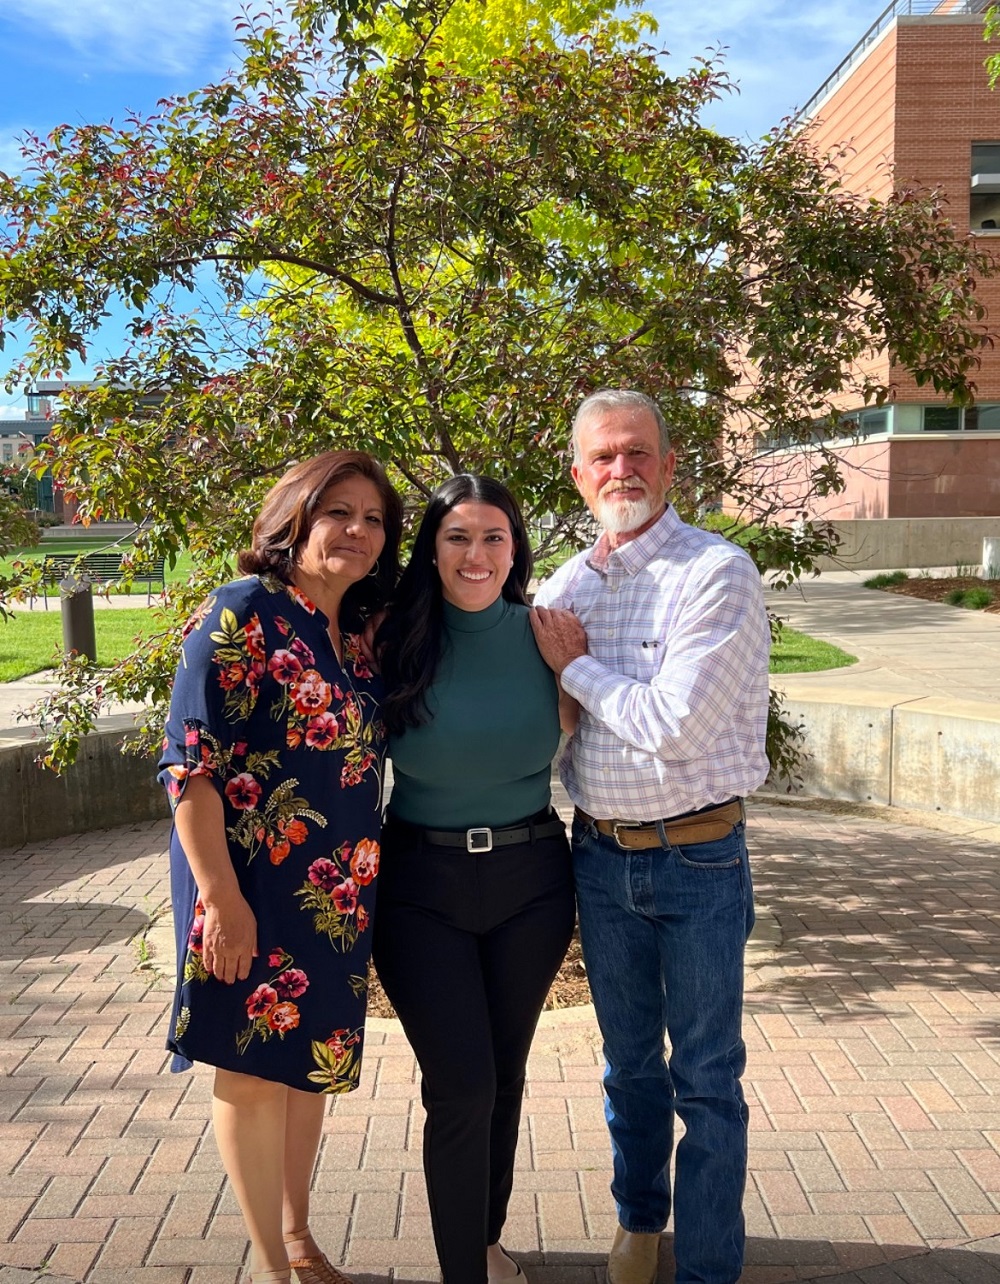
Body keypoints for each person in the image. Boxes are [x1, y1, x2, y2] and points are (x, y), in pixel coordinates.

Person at [530, 390, 770, 1284]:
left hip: (699, 858)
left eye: (637, 453)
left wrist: (574, 667)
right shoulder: (567, 586)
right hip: (597, 856)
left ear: (670, 465)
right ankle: (640, 1227)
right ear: (579, 475)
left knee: (706, 1078)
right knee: (628, 1067)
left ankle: (708, 1268)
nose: (621, 470)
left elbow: (674, 724)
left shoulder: (716, 572)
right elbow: (544, 722)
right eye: (603, 457)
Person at [158, 451, 402, 1284]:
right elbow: (190, 767)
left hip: (334, 894)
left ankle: (301, 1241)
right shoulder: (242, 613)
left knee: (309, 1069)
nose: (358, 531)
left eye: (373, 519)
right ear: (294, 516)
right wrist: (221, 902)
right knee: (253, 1068)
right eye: (339, 511)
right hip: (249, 888)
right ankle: (272, 1267)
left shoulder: (357, 637)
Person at [372, 474, 577, 1284]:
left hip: (532, 881)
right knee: (461, 1086)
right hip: (422, 886)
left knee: (505, 1071)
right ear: (430, 547)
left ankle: (485, 1240)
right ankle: (465, 1270)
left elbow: (599, 724)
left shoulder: (550, 636)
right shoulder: (391, 640)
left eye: (494, 537)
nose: (476, 553)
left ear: (516, 548)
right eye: (458, 536)